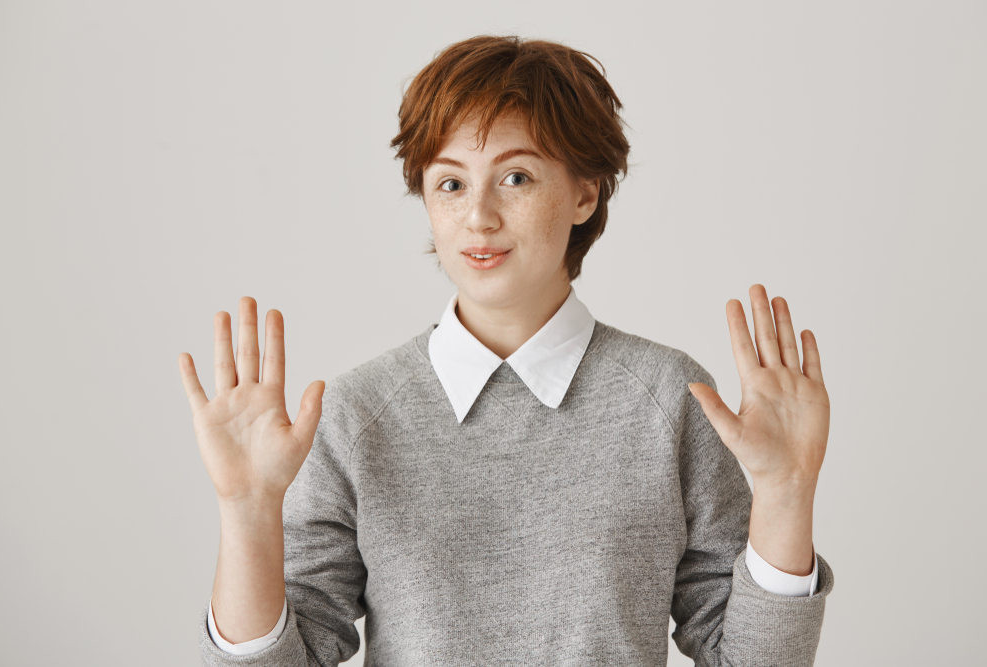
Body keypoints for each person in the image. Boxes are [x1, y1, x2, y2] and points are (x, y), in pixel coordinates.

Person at [178, 35, 833, 666]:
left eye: (515, 177)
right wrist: (245, 511)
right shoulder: (357, 415)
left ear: (585, 191)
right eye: (451, 183)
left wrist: (784, 492)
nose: (479, 218)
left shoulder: (671, 399)